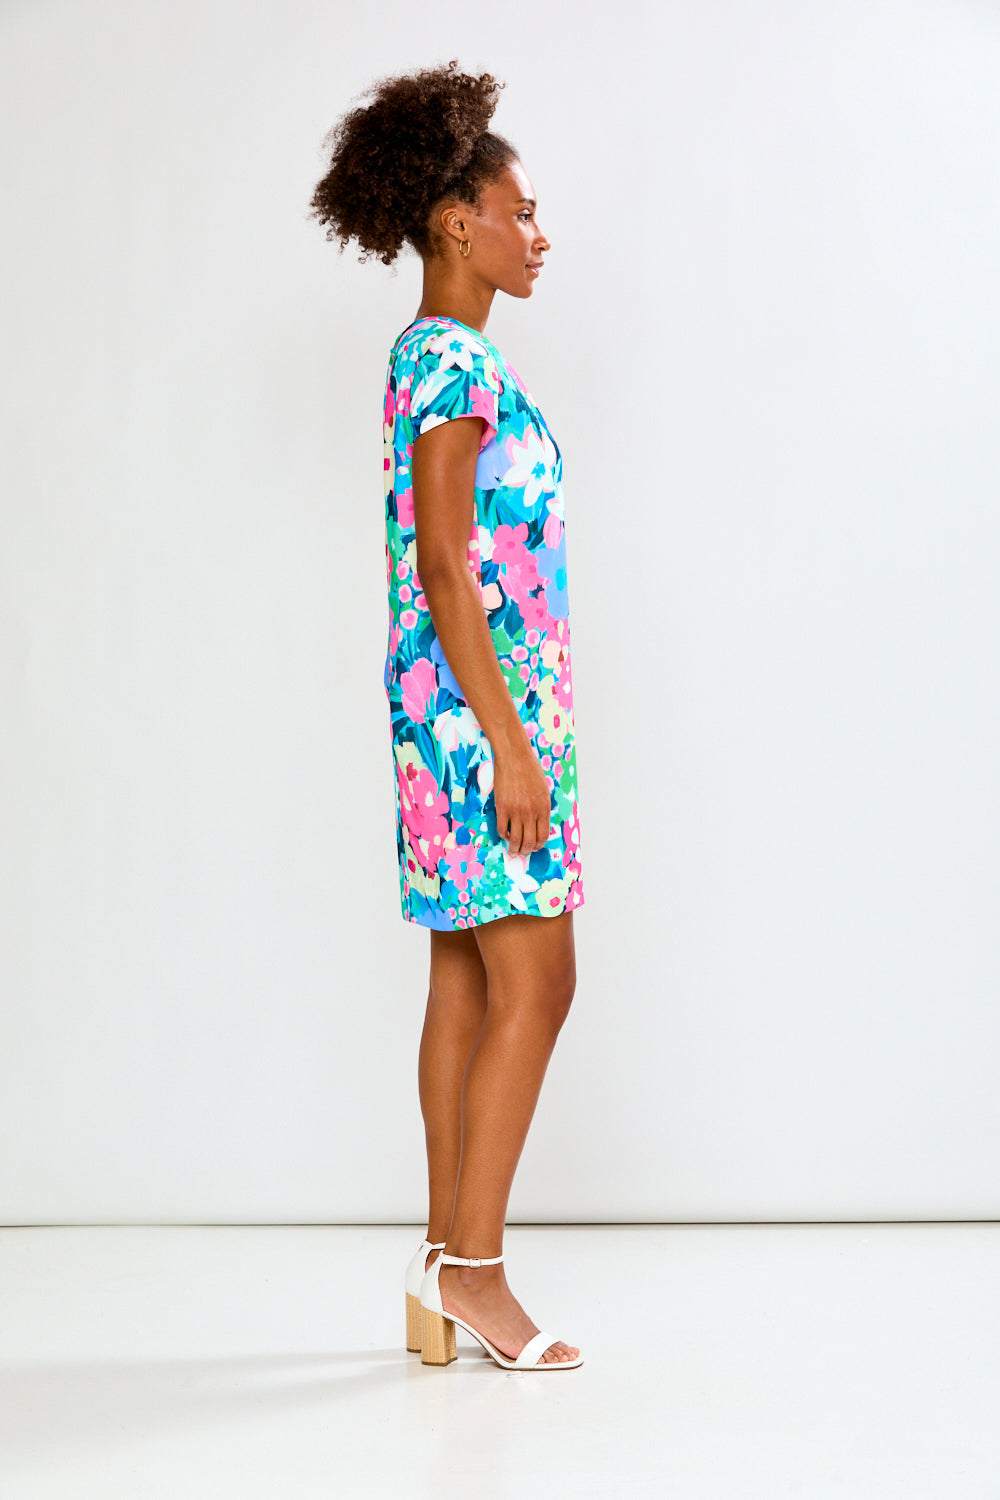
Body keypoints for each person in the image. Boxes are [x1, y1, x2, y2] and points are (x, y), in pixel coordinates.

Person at [309, 60, 585, 1371]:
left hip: (459, 719)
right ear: (451, 223)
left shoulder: (441, 356)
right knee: (541, 978)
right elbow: (443, 561)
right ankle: (474, 1270)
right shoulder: (446, 360)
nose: (540, 235)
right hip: (481, 729)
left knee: (471, 980)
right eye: (519, 210)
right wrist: (513, 740)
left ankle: (440, 1268)